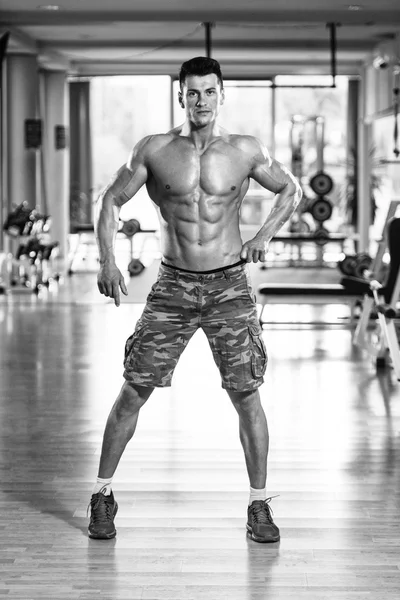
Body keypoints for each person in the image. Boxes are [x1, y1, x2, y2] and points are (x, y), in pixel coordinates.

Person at [88, 56, 302, 543]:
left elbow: (290, 189)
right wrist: (106, 260)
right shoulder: (155, 150)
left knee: (246, 394)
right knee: (133, 389)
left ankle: (259, 505)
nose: (201, 100)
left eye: (209, 91)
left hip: (229, 286)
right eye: (192, 92)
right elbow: (109, 200)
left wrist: (264, 234)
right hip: (172, 287)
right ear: (180, 96)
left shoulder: (244, 150)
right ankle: (101, 494)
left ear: (222, 94)